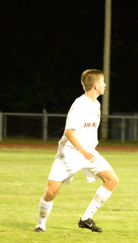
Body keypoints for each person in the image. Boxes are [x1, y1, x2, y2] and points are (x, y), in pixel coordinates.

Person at [34, 69, 119, 233]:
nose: (105, 85)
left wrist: (88, 150)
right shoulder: (80, 104)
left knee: (112, 180)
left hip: (88, 152)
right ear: (95, 86)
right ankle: (40, 224)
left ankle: (86, 219)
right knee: (52, 191)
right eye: (102, 82)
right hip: (70, 152)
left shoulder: (96, 104)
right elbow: (69, 131)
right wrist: (83, 151)